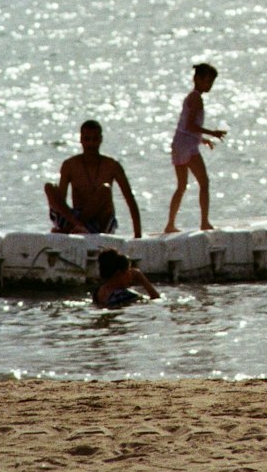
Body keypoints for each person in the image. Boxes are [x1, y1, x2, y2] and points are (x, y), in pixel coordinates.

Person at [45, 120, 143, 237]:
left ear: (101, 139)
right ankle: (77, 225)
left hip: (100, 222)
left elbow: (130, 200)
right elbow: (61, 201)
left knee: (105, 189)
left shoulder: (112, 166)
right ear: (81, 139)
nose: (91, 144)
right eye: (87, 139)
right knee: (49, 187)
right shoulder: (70, 165)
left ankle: (71, 228)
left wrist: (138, 235)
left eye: (95, 139)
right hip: (73, 219)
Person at [163, 63, 227, 233]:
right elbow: (191, 125)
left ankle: (170, 224)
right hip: (187, 146)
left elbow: (185, 127)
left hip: (179, 143)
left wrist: (202, 139)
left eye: (211, 82)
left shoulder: (190, 97)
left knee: (182, 186)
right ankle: (204, 222)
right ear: (197, 79)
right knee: (204, 182)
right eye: (207, 81)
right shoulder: (196, 98)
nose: (209, 86)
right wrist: (212, 133)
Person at [93, 248, 160, 309]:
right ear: (119, 273)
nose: (131, 277)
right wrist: (142, 279)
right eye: (128, 272)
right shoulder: (126, 295)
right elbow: (156, 300)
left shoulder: (98, 292)